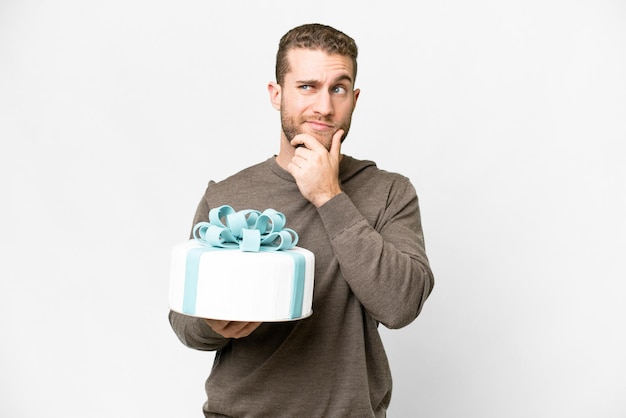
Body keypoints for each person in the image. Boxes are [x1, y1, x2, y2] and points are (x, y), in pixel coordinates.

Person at [169, 23, 435, 417]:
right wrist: (212, 322)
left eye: (338, 89)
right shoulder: (226, 197)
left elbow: (401, 306)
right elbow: (185, 322)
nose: (324, 107)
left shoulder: (389, 193)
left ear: (354, 98)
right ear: (277, 95)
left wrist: (330, 197)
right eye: (307, 87)